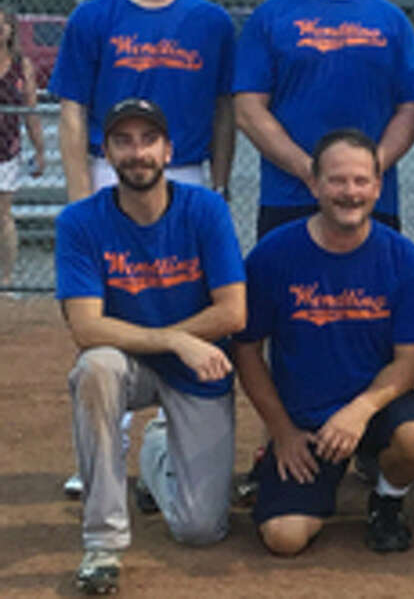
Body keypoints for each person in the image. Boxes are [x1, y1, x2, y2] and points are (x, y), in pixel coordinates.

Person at [55, 98, 246, 594]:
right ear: (107, 152)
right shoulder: (80, 222)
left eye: (148, 141)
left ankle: (157, 451)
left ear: (168, 150)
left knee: (200, 529)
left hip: (196, 371)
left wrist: (181, 345)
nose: (136, 152)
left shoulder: (205, 209)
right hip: (130, 361)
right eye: (123, 141)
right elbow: (86, 328)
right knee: (95, 369)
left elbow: (233, 311)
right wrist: (175, 339)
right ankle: (103, 541)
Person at [232, 128, 414, 556]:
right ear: (315, 183)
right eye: (337, 180)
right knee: (284, 539)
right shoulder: (274, 255)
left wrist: (360, 411)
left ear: (378, 187)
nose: (350, 192)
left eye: (361, 181)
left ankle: (385, 500)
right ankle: (279, 465)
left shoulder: (404, 258)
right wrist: (282, 431)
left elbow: (410, 360)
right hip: (305, 421)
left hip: (373, 405)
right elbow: (247, 349)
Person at [234, 0, 414, 239]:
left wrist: (369, 169)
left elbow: (410, 107)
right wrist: (310, 171)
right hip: (290, 196)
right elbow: (248, 109)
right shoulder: (270, 18)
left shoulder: (392, 21)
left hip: (369, 202)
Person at [50, 0, 235, 205]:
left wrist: (219, 186)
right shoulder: (93, 17)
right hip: (111, 170)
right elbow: (73, 111)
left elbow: (225, 111)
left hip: (186, 172)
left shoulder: (213, 22)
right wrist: (80, 195)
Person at [0, 6, 46, 288]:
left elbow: (31, 110)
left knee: (3, 214)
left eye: (5, 24)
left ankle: (6, 278)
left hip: (6, 149)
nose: (0, 28)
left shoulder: (20, 65)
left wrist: (40, 151)